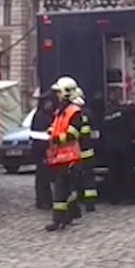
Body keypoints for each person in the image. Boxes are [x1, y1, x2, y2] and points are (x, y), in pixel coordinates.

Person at [45, 76, 86, 232]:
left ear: (65, 92)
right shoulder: (60, 111)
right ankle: (72, 214)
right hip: (60, 158)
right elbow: (55, 128)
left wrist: (56, 139)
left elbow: (73, 133)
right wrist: (49, 134)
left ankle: (58, 220)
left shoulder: (74, 112)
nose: (56, 95)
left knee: (60, 190)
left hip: (70, 158)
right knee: (67, 190)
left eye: (58, 92)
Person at [103, 87, 135, 205]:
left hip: (110, 147)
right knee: (127, 171)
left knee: (113, 172)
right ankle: (129, 197)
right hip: (124, 146)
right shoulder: (124, 110)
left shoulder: (106, 114)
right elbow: (134, 111)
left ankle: (113, 198)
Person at [72, 87, 98, 213]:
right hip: (87, 151)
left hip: (75, 152)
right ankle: (90, 204)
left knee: (73, 177)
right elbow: (93, 129)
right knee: (89, 177)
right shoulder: (88, 113)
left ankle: (76, 202)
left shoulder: (72, 114)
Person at [30, 88, 56, 211]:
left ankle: (46, 200)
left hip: (45, 151)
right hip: (42, 152)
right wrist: (44, 154)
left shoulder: (45, 115)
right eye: (49, 102)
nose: (50, 104)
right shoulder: (40, 117)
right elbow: (40, 138)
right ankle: (43, 201)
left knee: (44, 177)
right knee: (43, 178)